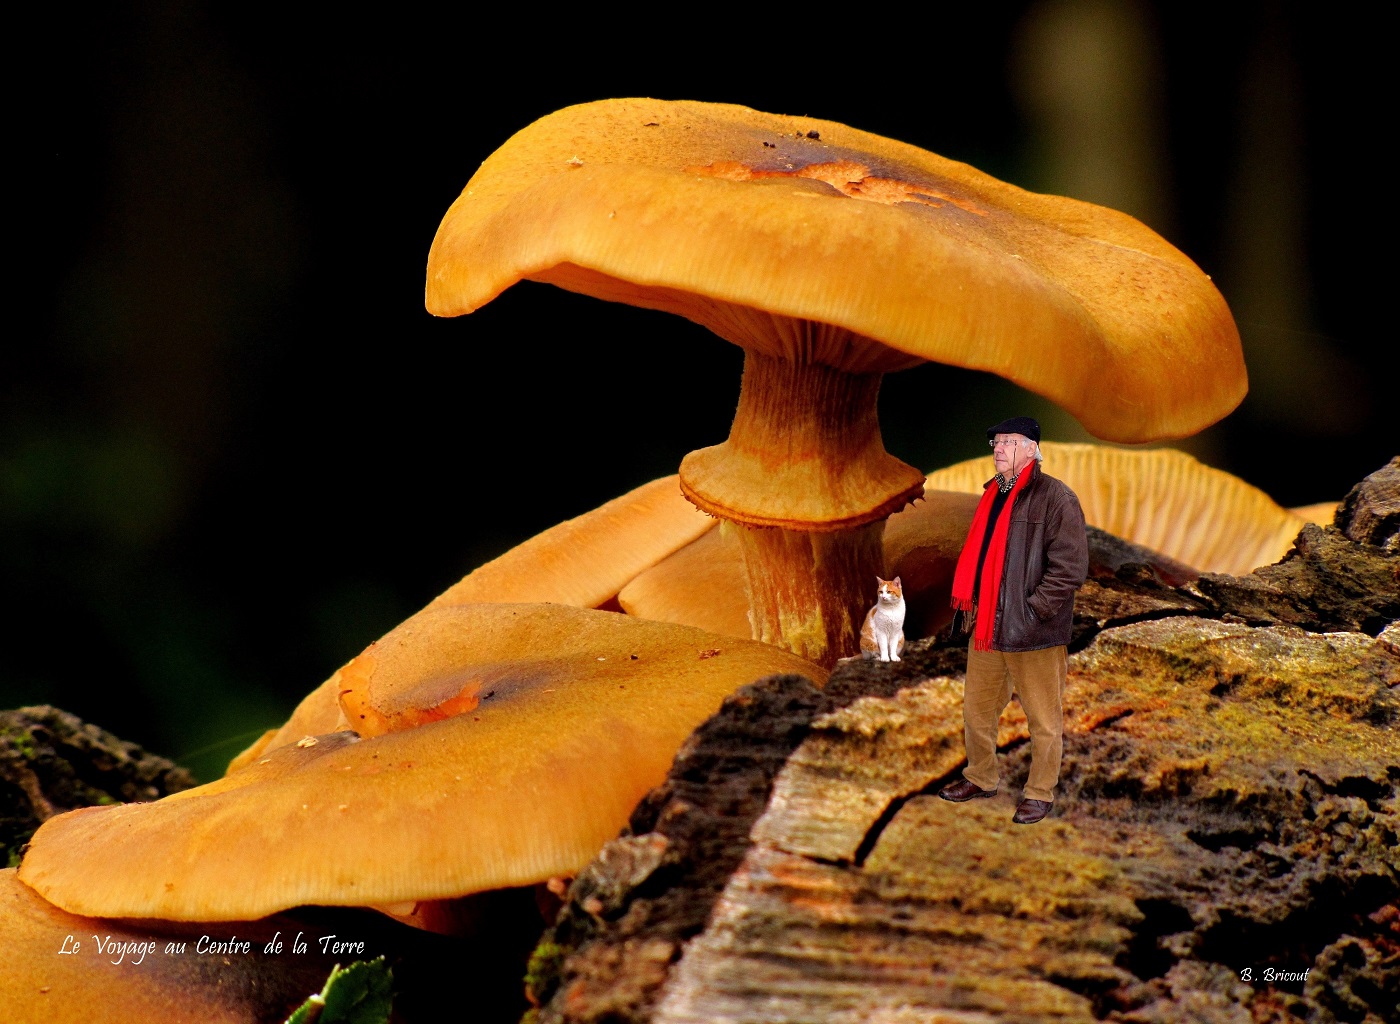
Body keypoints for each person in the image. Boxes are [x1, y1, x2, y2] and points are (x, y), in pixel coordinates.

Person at [937, 417, 1088, 825]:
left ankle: (1040, 794)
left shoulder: (1057, 498)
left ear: (1031, 449)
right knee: (977, 712)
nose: (998, 449)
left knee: (1043, 720)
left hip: (1034, 633)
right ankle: (980, 776)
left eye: (1008, 442)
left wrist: (1035, 610)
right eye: (996, 442)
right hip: (987, 625)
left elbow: (1070, 569)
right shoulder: (992, 495)